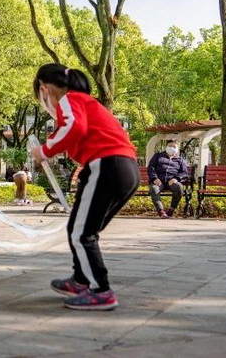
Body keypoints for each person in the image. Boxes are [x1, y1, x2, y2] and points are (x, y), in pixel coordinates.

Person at [29, 63, 139, 311]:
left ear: (44, 90)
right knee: (82, 229)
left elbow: (73, 127)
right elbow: (76, 131)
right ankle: (81, 280)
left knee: (81, 233)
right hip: (123, 168)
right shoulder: (87, 103)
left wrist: (44, 151)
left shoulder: (70, 99)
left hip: (107, 165)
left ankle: (100, 291)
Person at [147, 142, 190, 218]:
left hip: (171, 182)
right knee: (154, 188)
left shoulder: (180, 160)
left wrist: (176, 178)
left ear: (177, 149)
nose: (171, 148)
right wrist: (154, 178)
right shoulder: (158, 156)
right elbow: (151, 168)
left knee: (179, 187)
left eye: (174, 146)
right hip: (159, 181)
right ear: (166, 146)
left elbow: (184, 172)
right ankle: (161, 211)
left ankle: (171, 210)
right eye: (170, 146)